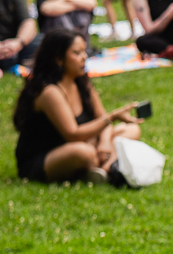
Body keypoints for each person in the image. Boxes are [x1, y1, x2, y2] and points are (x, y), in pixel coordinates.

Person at [12, 30, 142, 183]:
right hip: (48, 156)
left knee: (132, 130)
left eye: (84, 51)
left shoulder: (82, 82)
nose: (84, 57)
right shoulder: (50, 92)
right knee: (84, 152)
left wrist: (105, 142)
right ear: (59, 59)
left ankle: (103, 170)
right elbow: (72, 134)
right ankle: (107, 165)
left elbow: (101, 118)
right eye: (77, 53)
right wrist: (112, 118)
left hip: (85, 142)